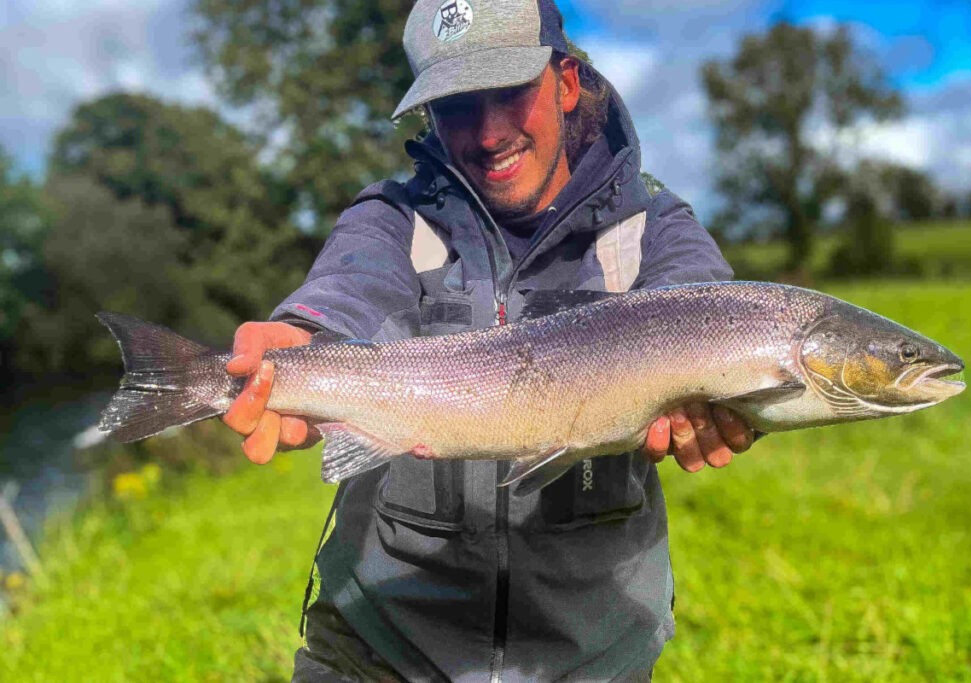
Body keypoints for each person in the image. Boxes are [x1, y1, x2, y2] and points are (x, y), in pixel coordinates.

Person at [223, 0, 754, 680]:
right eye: (456, 107)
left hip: (592, 662)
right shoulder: (390, 218)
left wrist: (724, 395)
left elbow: (705, 310)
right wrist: (302, 335)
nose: (488, 132)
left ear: (566, 83)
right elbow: (347, 288)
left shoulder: (655, 227)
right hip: (378, 654)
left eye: (508, 92)